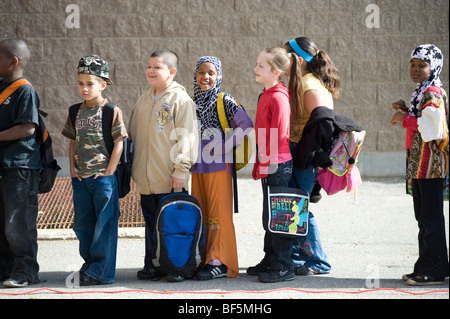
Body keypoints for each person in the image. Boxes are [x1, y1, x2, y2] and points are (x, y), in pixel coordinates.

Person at [129, 50, 198, 282]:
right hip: (147, 180)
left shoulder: (180, 100)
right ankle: (154, 265)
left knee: (172, 227)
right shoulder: (145, 98)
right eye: (149, 66)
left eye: (157, 67)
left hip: (169, 177)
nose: (150, 71)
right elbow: (135, 135)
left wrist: (181, 170)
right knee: (152, 226)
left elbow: (187, 137)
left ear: (171, 71)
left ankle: (176, 267)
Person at [61, 55, 127, 286]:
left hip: (103, 179)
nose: (84, 88)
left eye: (90, 83)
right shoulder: (75, 111)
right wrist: (72, 169)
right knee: (82, 224)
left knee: (105, 225)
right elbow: (72, 140)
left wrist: (109, 171)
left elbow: (119, 141)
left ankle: (102, 271)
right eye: (81, 83)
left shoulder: (111, 110)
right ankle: (90, 266)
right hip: (81, 178)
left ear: (103, 84)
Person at [391, 44, 449, 286]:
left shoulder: (433, 93)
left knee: (431, 217)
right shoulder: (422, 91)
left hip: (431, 166)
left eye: (421, 65)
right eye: (412, 64)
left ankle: (435, 269)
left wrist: (403, 118)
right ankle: (425, 266)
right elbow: (423, 119)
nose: (415, 69)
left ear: (433, 67)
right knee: (423, 217)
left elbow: (431, 129)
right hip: (419, 165)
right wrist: (407, 110)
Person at [191, 56, 253, 280]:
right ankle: (205, 257)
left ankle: (219, 261)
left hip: (218, 165)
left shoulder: (224, 99)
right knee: (203, 213)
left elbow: (246, 124)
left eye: (211, 73)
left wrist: (224, 147)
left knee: (219, 214)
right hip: (197, 166)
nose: (205, 77)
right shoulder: (192, 101)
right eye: (201, 72)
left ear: (218, 76)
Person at [283, 37, 341, 276]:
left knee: (300, 208)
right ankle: (298, 256)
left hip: (304, 156)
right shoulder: (310, 80)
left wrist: (306, 154)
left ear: (297, 59)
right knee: (296, 206)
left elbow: (323, 123)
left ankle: (318, 260)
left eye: (284, 57)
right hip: (303, 154)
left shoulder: (308, 83)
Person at [248, 47, 294, 283]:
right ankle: (271, 258)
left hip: (278, 164)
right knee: (269, 215)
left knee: (280, 216)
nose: (255, 69)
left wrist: (267, 164)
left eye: (261, 66)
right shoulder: (265, 93)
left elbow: (279, 136)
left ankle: (284, 265)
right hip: (269, 163)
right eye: (257, 64)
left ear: (276, 72)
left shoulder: (278, 97)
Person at [0, 39, 42, 288]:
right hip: (3, 166)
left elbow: (27, 128)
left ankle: (25, 271)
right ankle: (5, 269)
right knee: (3, 223)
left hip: (20, 167)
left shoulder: (24, 90)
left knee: (18, 223)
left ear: (13, 62)